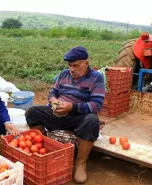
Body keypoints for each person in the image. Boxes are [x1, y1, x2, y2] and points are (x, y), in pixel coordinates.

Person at [25, 46, 105, 184]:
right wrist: (54, 101)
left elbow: (96, 105)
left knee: (92, 120)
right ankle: (47, 149)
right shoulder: (64, 75)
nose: (72, 69)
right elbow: (52, 93)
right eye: (69, 66)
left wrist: (72, 107)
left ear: (86, 63)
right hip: (58, 114)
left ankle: (80, 163)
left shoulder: (96, 78)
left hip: (78, 118)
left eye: (76, 65)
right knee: (32, 112)